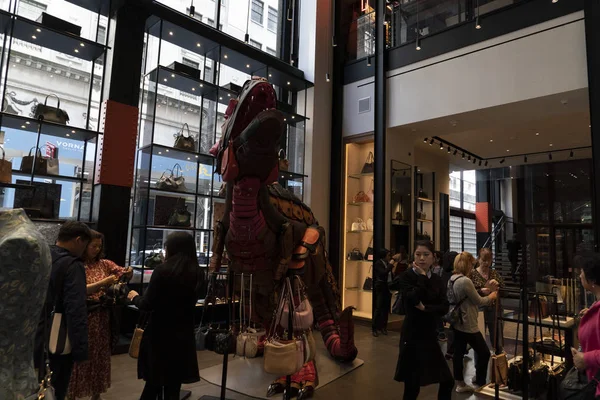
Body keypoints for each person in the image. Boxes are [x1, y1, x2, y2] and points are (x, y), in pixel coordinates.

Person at [127, 232, 204, 400]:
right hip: (183, 334)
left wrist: (133, 296)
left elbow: (147, 304)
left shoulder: (162, 271)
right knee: (173, 386)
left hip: (159, 334)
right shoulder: (197, 272)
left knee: (153, 383)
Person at [68, 230, 133, 400]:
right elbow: (79, 291)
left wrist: (128, 271)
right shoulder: (76, 265)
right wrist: (103, 283)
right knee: (79, 356)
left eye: (99, 246)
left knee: (99, 356)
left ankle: (96, 394)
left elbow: (122, 272)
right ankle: (72, 393)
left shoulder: (104, 264)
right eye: (93, 246)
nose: (96, 249)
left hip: (102, 316)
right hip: (83, 316)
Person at [35, 221, 92, 400]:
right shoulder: (73, 265)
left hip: (34, 334)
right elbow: (75, 309)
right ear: (78, 240)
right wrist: (81, 349)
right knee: (55, 389)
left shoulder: (41, 256)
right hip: (57, 340)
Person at [394, 241, 454, 400]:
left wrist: (426, 308)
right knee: (412, 387)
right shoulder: (406, 276)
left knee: (447, 380)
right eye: (418, 254)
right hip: (412, 336)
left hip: (429, 336)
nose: (421, 258)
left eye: (426, 255)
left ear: (434, 257)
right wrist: (421, 277)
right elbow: (412, 298)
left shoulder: (437, 279)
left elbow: (444, 307)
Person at [448, 251, 498, 392]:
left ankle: (460, 383)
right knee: (484, 352)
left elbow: (464, 296)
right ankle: (480, 381)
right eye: (471, 264)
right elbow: (479, 301)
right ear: (467, 264)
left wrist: (481, 291)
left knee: (458, 353)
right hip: (468, 322)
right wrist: (492, 296)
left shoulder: (452, 278)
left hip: (457, 322)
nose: (472, 266)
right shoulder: (465, 280)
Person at [572, 253, 600, 398]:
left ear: (593, 279)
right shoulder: (596, 304)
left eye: (582, 273)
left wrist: (585, 359)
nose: (580, 276)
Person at [469, 248, 504, 353]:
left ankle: (498, 361)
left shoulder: (494, 273)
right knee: (479, 336)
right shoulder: (472, 274)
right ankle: (480, 360)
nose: (486, 263)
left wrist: (497, 286)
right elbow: (468, 292)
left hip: (494, 308)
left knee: (497, 337)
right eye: (484, 260)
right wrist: (480, 291)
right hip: (479, 308)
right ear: (478, 259)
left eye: (489, 260)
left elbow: (505, 291)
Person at [373, 248, 395, 337]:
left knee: (386, 308)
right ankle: (375, 327)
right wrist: (391, 264)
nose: (389, 257)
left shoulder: (386, 263)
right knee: (379, 307)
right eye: (388, 255)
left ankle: (383, 327)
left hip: (387, 287)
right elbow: (384, 273)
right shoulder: (378, 263)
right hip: (381, 287)